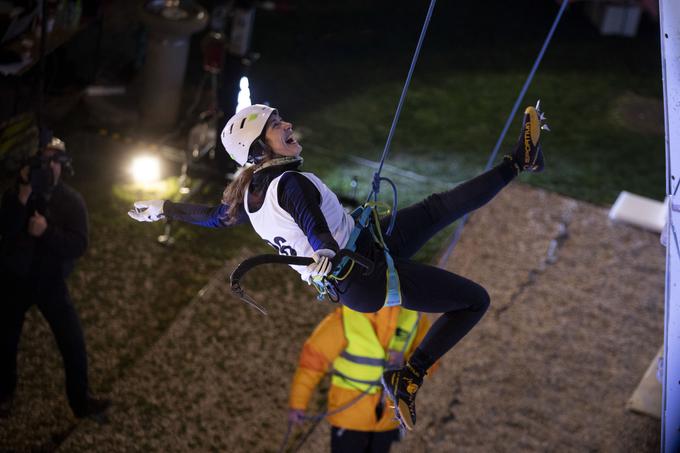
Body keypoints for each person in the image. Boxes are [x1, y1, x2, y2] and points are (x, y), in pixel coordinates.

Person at [128, 102, 546, 430]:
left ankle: (518, 162)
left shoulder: (249, 193)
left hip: (362, 248)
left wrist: (165, 209)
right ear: (259, 148)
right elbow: (314, 227)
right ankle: (409, 377)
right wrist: (326, 250)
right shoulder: (289, 184)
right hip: (361, 272)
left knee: (438, 207)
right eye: (276, 125)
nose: (287, 124)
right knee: (474, 301)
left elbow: (215, 217)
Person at [0, 136, 110, 420]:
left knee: (72, 341)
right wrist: (22, 195)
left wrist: (46, 232)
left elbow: (79, 244)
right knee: (5, 339)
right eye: (43, 160)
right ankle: (4, 393)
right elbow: (6, 233)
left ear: (63, 166)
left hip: (50, 282)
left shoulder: (71, 201)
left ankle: (80, 401)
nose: (50, 167)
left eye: (55, 161)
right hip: (15, 280)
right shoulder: (17, 195)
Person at [288, 305, 436, 453]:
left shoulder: (415, 318)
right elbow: (312, 363)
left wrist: (407, 363)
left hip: (387, 420)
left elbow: (432, 363)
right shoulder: (345, 318)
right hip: (350, 419)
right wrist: (298, 403)